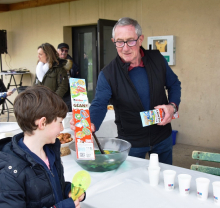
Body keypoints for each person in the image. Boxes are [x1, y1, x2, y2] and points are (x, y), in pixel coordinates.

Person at [71, 17, 181, 165]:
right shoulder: (108, 74)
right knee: (132, 184)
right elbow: (100, 104)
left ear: (140, 39)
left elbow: (174, 84)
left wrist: (172, 106)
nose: (125, 47)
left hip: (163, 137)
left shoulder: (157, 59)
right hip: (132, 143)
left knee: (166, 181)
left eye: (131, 41)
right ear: (114, 42)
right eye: (119, 42)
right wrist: (90, 123)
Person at [0, 85, 85, 208]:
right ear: (42, 123)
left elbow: (51, 188)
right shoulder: (10, 174)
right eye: (60, 122)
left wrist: (67, 190)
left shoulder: (50, 152)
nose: (62, 129)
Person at [57, 43, 80, 112]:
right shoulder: (53, 63)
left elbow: (77, 79)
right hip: (56, 93)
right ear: (57, 51)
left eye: (66, 51)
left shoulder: (72, 64)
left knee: (67, 115)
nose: (64, 52)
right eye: (62, 50)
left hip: (68, 94)